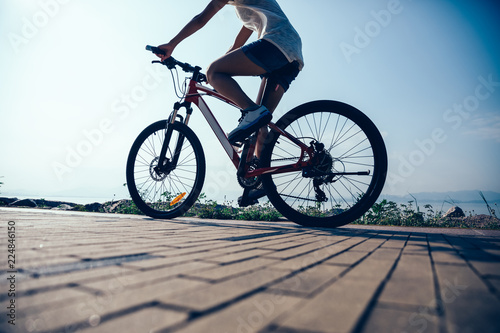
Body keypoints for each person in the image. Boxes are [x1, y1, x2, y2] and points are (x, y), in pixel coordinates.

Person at [156, 0, 304, 150]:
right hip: (292, 56)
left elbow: (200, 19)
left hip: (276, 44)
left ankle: (251, 110)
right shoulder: (249, 8)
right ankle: (260, 171)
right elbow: (238, 42)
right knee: (260, 125)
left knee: (213, 72)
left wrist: (172, 44)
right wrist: (220, 68)